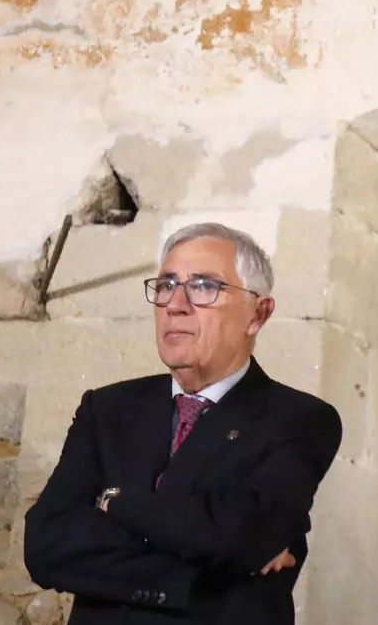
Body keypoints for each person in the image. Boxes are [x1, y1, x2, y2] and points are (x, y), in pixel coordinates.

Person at [24, 222, 342, 624]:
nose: (175, 304)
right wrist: (194, 574)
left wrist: (115, 503)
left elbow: (243, 536)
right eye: (166, 285)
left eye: (204, 286)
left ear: (257, 314)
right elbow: (45, 545)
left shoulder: (299, 419)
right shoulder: (106, 409)